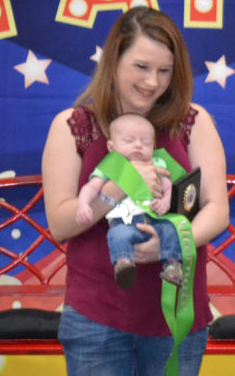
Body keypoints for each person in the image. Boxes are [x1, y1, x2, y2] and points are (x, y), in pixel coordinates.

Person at [41, 6, 229, 376]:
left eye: (165, 71)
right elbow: (62, 221)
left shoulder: (193, 122)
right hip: (97, 316)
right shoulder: (74, 125)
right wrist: (115, 190)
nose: (153, 82)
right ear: (113, 60)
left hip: (176, 316)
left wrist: (172, 241)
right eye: (141, 67)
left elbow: (216, 210)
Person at [76, 113, 183, 289]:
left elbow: (171, 188)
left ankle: (173, 265)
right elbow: (89, 188)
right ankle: (124, 264)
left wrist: (165, 202)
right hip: (126, 223)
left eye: (146, 142)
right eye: (129, 140)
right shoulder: (110, 167)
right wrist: (83, 204)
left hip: (156, 219)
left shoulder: (157, 163)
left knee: (171, 230)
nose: (138, 145)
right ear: (111, 146)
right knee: (117, 235)